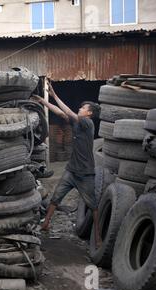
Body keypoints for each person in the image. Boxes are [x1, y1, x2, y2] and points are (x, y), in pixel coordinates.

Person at [33, 80, 102, 248]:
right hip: (71, 170)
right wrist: (44, 102)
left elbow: (69, 111)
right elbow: (62, 113)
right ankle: (46, 224)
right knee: (56, 197)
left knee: (92, 205)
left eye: (83, 108)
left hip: (86, 173)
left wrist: (55, 95)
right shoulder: (78, 122)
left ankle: (98, 236)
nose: (80, 108)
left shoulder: (87, 123)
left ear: (89, 113)